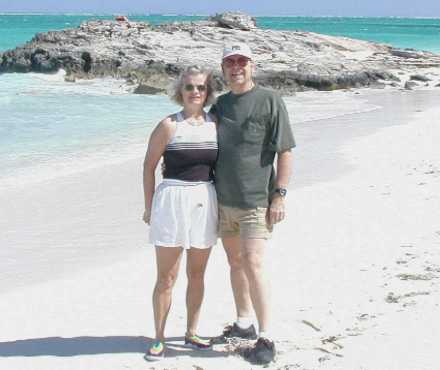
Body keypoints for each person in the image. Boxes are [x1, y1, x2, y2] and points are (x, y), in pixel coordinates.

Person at [210, 43, 295, 365]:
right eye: (230, 63)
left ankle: (267, 335)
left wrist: (280, 194)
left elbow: (285, 150)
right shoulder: (220, 105)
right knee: (234, 263)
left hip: (257, 200)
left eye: (241, 62)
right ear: (223, 69)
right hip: (224, 200)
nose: (236, 68)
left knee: (254, 263)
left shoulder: (270, 100)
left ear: (252, 66)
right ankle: (243, 323)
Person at [142, 65, 218, 361]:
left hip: (204, 199)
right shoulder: (168, 125)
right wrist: (149, 207)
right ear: (180, 91)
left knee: (197, 274)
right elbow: (149, 167)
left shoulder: (216, 125)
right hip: (171, 200)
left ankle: (191, 332)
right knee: (166, 278)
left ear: (208, 92)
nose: (195, 92)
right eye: (189, 87)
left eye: (201, 87)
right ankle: (159, 338)